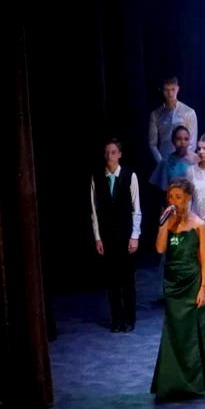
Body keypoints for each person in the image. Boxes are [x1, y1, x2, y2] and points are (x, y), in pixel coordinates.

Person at [151, 178, 205, 400]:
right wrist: (163, 224)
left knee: (192, 332)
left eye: (178, 197)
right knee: (174, 331)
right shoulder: (168, 222)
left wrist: (203, 288)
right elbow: (160, 249)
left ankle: (197, 384)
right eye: (170, 197)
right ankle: (172, 383)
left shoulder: (199, 225)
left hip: (192, 283)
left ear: (188, 198)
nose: (174, 201)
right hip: (172, 284)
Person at [91, 138, 141, 333]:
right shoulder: (97, 177)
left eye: (113, 152)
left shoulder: (129, 176)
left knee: (127, 279)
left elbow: (136, 208)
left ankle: (129, 318)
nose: (109, 156)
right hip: (108, 235)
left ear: (119, 154)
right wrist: (98, 237)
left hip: (125, 233)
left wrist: (135, 235)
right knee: (112, 280)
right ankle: (117, 318)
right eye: (107, 152)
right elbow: (94, 210)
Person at [147, 77, 198, 192]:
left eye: (172, 89)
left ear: (178, 89)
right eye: (166, 90)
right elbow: (152, 143)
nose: (170, 93)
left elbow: (192, 142)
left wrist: (184, 160)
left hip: (185, 163)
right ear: (162, 90)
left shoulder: (188, 112)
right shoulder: (156, 114)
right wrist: (162, 163)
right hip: (164, 160)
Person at [150, 125, 196, 194]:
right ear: (173, 141)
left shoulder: (196, 160)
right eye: (179, 139)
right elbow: (161, 189)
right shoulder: (166, 162)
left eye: (186, 139)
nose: (183, 142)